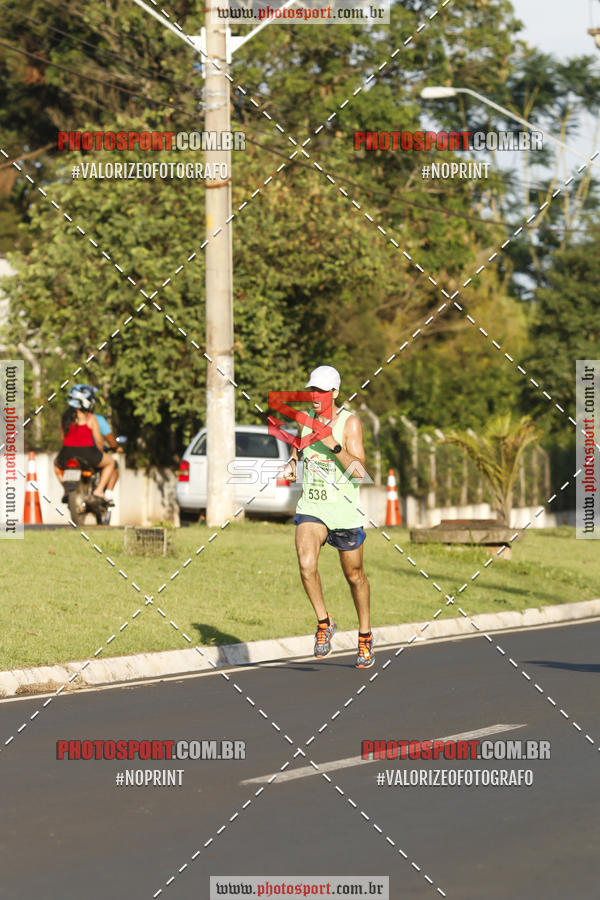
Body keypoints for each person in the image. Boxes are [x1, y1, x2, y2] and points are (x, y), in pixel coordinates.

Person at [285, 365, 374, 669]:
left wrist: (333, 445)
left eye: (322, 391)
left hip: (344, 511)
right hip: (313, 507)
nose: (315, 396)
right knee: (306, 564)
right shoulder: (306, 421)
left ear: (334, 392)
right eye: (312, 390)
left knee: (355, 576)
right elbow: (298, 448)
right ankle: (324, 622)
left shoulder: (350, 424)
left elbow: (360, 473)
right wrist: (293, 462)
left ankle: (365, 635)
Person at [54, 385, 115, 500]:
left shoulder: (64, 418)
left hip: (66, 453)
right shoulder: (90, 418)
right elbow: (98, 440)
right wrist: (100, 451)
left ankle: (66, 489)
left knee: (56, 464)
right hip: (89, 454)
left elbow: (63, 438)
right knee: (111, 462)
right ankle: (99, 490)